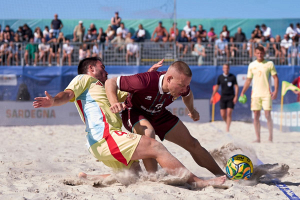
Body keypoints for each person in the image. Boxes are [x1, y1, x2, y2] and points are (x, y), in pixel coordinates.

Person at [32, 57, 226, 188]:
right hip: (106, 137)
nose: (105, 70)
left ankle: (89, 178)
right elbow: (67, 95)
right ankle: (198, 181)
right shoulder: (84, 79)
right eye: (102, 66)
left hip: (106, 142)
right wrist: (53, 101)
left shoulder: (109, 90)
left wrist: (150, 76)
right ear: (91, 68)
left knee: (132, 176)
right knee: (155, 146)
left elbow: (136, 90)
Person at [105, 60, 226, 177]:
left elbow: (188, 95)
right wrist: (114, 102)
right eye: (181, 86)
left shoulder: (181, 84)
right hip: (135, 112)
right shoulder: (145, 80)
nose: (184, 89)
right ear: (168, 79)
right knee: (149, 132)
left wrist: (192, 110)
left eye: (187, 85)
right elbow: (111, 82)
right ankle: (154, 177)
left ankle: (222, 175)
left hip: (158, 113)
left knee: (193, 144)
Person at [240, 46, 279, 143]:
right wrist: (242, 92)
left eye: (261, 53)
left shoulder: (269, 64)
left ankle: (270, 137)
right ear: (255, 54)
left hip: (266, 94)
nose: (259, 55)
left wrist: (276, 91)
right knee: (256, 115)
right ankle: (258, 138)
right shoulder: (252, 65)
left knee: (267, 115)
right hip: (255, 94)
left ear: (264, 53)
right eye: (257, 53)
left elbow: (275, 78)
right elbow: (248, 80)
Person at [210, 64, 238, 132]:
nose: (226, 69)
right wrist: (212, 96)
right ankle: (227, 123)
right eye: (225, 68)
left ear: (229, 68)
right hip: (223, 97)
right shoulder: (220, 77)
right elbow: (217, 86)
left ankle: (227, 129)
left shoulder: (232, 77)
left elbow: (236, 86)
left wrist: (236, 96)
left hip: (231, 97)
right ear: (223, 69)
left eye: (227, 68)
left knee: (229, 113)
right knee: (222, 114)